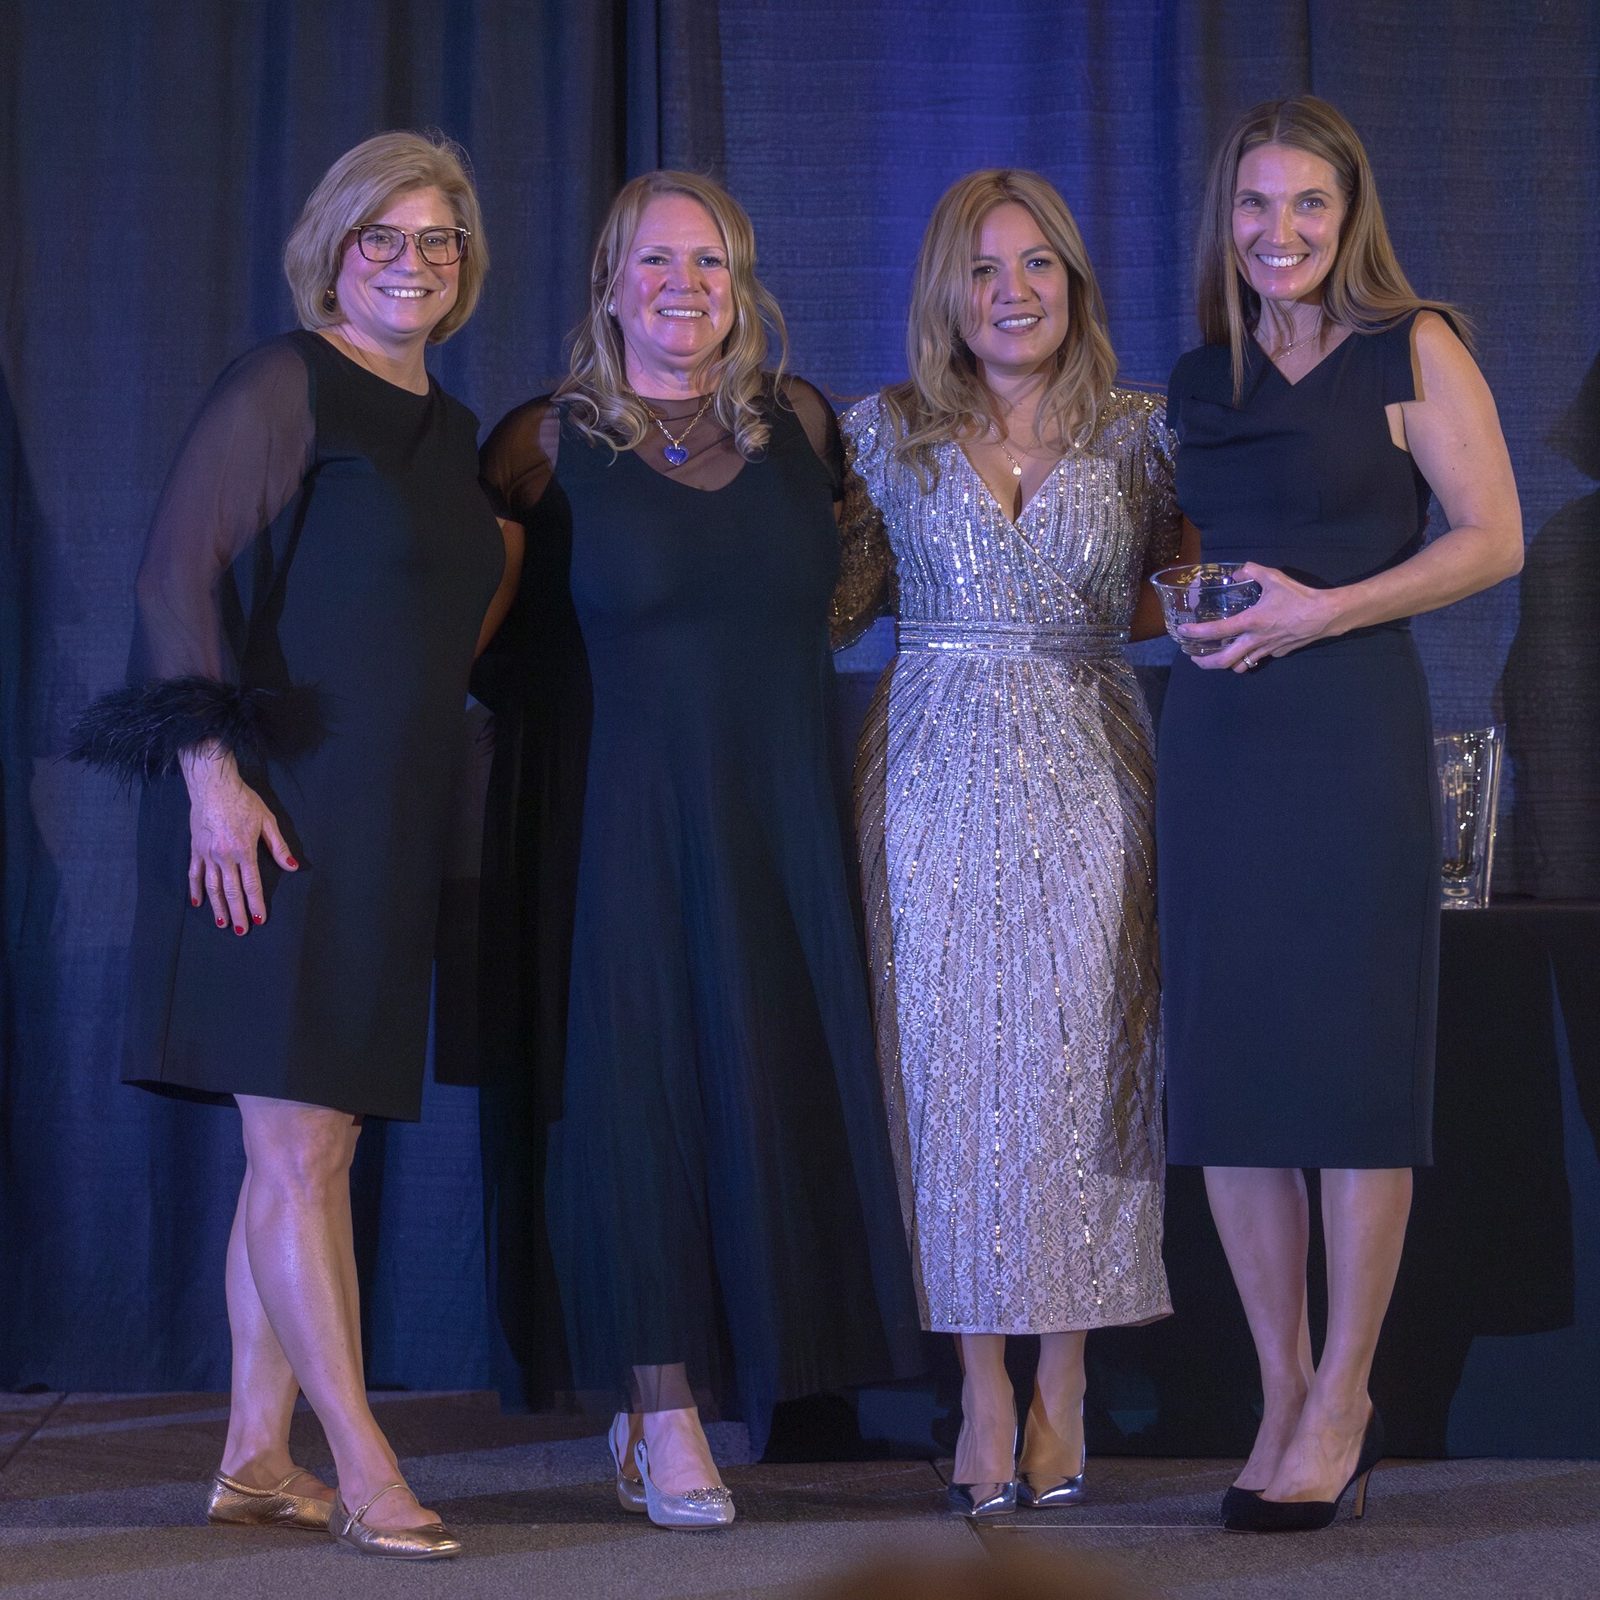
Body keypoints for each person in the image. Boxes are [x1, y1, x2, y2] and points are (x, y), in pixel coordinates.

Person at [70, 131, 516, 1560]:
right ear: (332, 249)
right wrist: (210, 773)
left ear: (468, 264)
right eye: (381, 236)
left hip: (386, 826)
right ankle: (366, 1461)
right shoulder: (286, 382)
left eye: (438, 238)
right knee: (301, 1153)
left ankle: (257, 1457)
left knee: (304, 1149)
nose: (411, 262)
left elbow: (452, 621)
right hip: (269, 818)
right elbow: (173, 569)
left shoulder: (451, 431)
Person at [478, 170, 919, 1531]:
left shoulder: (800, 425)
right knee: (642, 1108)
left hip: (782, 815)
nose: (685, 289)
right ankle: (661, 1409)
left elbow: (870, 589)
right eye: (656, 263)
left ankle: (730, 1388)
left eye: (712, 264)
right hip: (625, 824)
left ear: (745, 287)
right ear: (607, 284)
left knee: (767, 1090)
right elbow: (468, 635)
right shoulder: (544, 443)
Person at [1159, 95, 1522, 1532]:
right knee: (1240, 1077)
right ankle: (1281, 1390)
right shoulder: (1199, 374)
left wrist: (1329, 612)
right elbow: (1190, 556)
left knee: (1352, 1073)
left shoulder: (1412, 343)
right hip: (1218, 742)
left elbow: (1491, 538)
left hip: (1347, 733)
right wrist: (1188, 611)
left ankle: (1348, 1397)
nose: (1281, 232)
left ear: (1349, 213)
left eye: (1308, 205)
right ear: (1226, 224)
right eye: (1256, 207)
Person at [836, 169, 1177, 1518]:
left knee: (1084, 1063)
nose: (1014, 292)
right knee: (945, 1070)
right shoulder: (880, 437)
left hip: (1097, 766)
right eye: (985, 270)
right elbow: (824, 604)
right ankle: (981, 1387)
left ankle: (1067, 1383)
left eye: (1038, 266)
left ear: (1075, 286)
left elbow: (1196, 595)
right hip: (926, 778)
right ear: (947, 294)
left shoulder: (1146, 436)